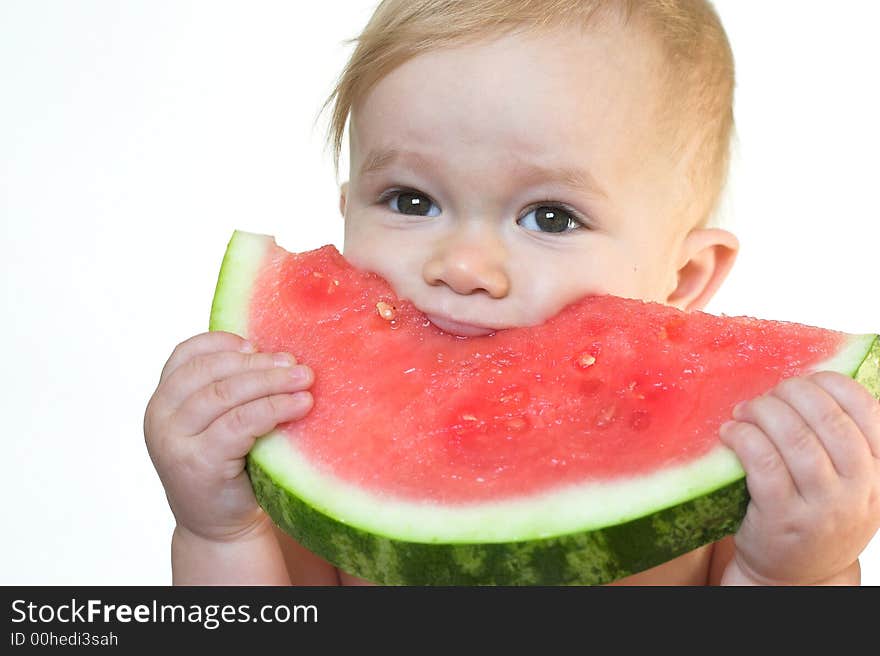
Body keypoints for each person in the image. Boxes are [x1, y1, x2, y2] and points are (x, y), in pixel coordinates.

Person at [143, 0, 880, 585]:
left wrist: (792, 572)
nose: (464, 265)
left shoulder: (725, 460)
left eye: (550, 217)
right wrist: (220, 528)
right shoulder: (316, 439)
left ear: (686, 277)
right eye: (409, 199)